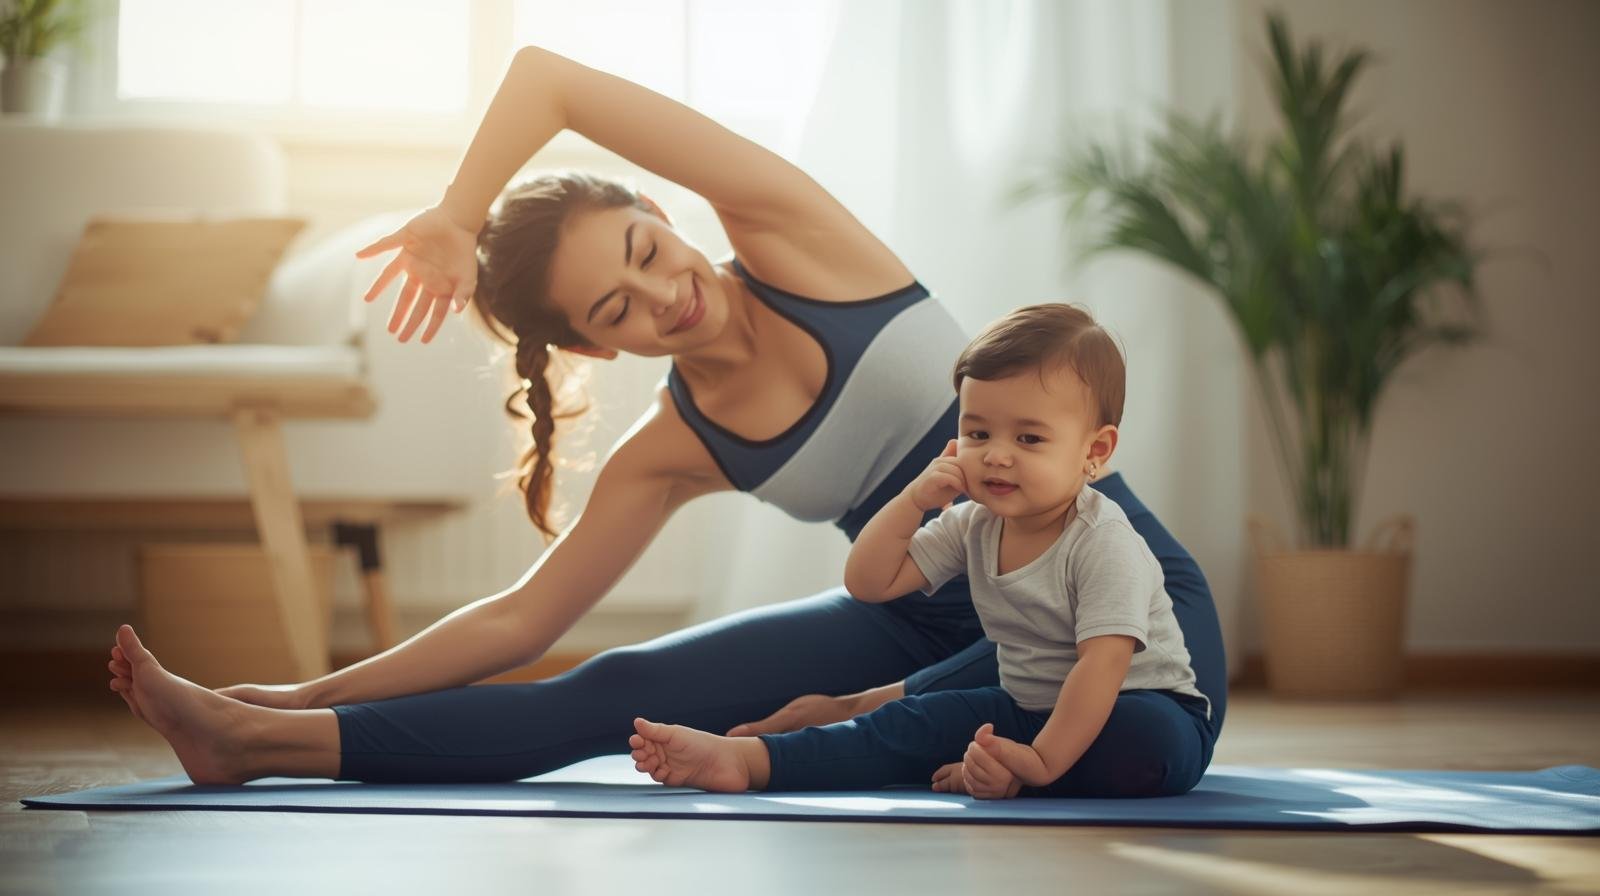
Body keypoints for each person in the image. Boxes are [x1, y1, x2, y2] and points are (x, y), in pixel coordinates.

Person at [104, 45, 1226, 790]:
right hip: (922, 607)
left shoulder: (799, 238)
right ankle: (260, 737)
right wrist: (313, 685)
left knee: (886, 720)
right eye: (615, 309)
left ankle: (861, 725)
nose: (663, 295)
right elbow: (517, 623)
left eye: (646, 250)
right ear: (597, 347)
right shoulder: (677, 444)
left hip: (1108, 609)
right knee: (613, 685)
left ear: (657, 210)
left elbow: (545, 77)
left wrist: (455, 212)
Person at [630, 304, 1211, 798]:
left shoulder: (1105, 542)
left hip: (1136, 705)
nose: (997, 455)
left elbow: (1101, 668)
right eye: (979, 433)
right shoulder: (972, 524)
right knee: (913, 722)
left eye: (1029, 438)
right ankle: (751, 760)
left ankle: (1016, 773)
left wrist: (1038, 764)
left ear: (1095, 450)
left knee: (1144, 744)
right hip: (1026, 707)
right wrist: (914, 500)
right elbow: (870, 583)